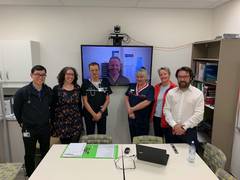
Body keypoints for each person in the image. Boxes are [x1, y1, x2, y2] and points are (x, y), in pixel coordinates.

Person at [13, 65, 52, 177]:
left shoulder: (48, 91)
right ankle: (30, 175)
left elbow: (51, 107)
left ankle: (45, 175)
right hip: (29, 129)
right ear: (31, 75)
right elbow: (16, 109)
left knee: (46, 153)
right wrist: (21, 122)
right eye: (37, 74)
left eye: (43, 75)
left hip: (45, 127)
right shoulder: (22, 92)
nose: (40, 77)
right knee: (30, 154)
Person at [163, 66, 204, 148]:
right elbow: (166, 110)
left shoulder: (198, 94)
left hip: (189, 132)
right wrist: (174, 125)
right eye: (180, 77)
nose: (182, 79)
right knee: (171, 156)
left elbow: (199, 115)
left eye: (185, 77)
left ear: (191, 78)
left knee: (188, 158)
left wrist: (183, 127)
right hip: (172, 131)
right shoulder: (171, 93)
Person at [51, 67, 83, 144]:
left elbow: (79, 104)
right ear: (63, 75)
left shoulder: (77, 88)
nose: (70, 76)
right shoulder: (56, 89)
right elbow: (53, 106)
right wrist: (52, 122)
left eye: (72, 74)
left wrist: (81, 119)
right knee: (65, 147)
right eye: (68, 74)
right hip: (62, 124)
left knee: (74, 146)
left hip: (76, 123)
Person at [81, 62, 112, 134]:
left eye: (96, 70)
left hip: (102, 113)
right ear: (89, 71)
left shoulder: (105, 82)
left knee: (102, 135)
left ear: (99, 70)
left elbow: (107, 100)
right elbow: (85, 101)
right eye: (92, 70)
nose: (94, 72)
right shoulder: (85, 83)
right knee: (90, 135)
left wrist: (100, 113)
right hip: (89, 114)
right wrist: (94, 115)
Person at [125, 68, 154, 142]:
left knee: (142, 141)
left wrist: (132, 109)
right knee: (133, 139)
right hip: (131, 118)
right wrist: (129, 110)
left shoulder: (150, 88)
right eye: (137, 77)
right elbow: (126, 97)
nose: (139, 79)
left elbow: (148, 101)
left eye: (141, 77)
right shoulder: (132, 86)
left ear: (146, 77)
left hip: (143, 120)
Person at [150, 67, 176, 138]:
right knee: (158, 139)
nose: (163, 76)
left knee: (169, 140)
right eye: (161, 74)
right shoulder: (156, 87)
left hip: (168, 119)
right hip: (157, 117)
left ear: (169, 75)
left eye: (165, 74)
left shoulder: (174, 88)